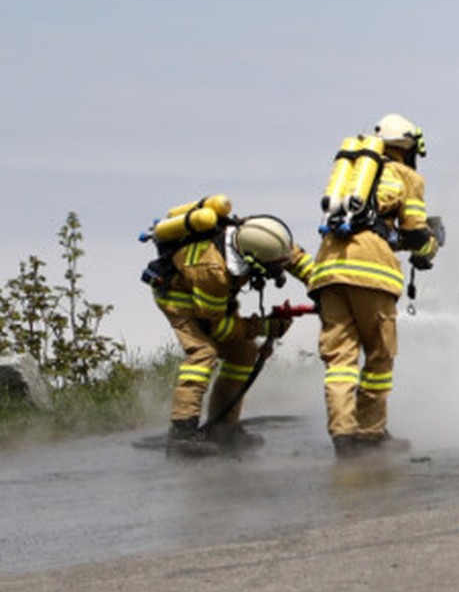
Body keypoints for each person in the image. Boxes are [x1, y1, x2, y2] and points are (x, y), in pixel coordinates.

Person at [309, 112, 439, 459]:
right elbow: (414, 235)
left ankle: (343, 436)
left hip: (328, 269)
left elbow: (371, 228)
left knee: (340, 358)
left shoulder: (352, 177)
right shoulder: (406, 175)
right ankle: (370, 432)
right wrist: (432, 243)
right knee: (380, 355)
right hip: (372, 274)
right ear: (409, 147)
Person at [153, 213, 313, 453]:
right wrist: (264, 327)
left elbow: (293, 258)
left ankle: (223, 428)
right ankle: (181, 433)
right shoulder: (213, 271)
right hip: (180, 297)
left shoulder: (262, 237)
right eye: (270, 269)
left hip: (213, 301)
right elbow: (217, 327)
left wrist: (322, 284)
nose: (276, 273)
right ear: (252, 260)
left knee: (244, 353)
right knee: (203, 352)